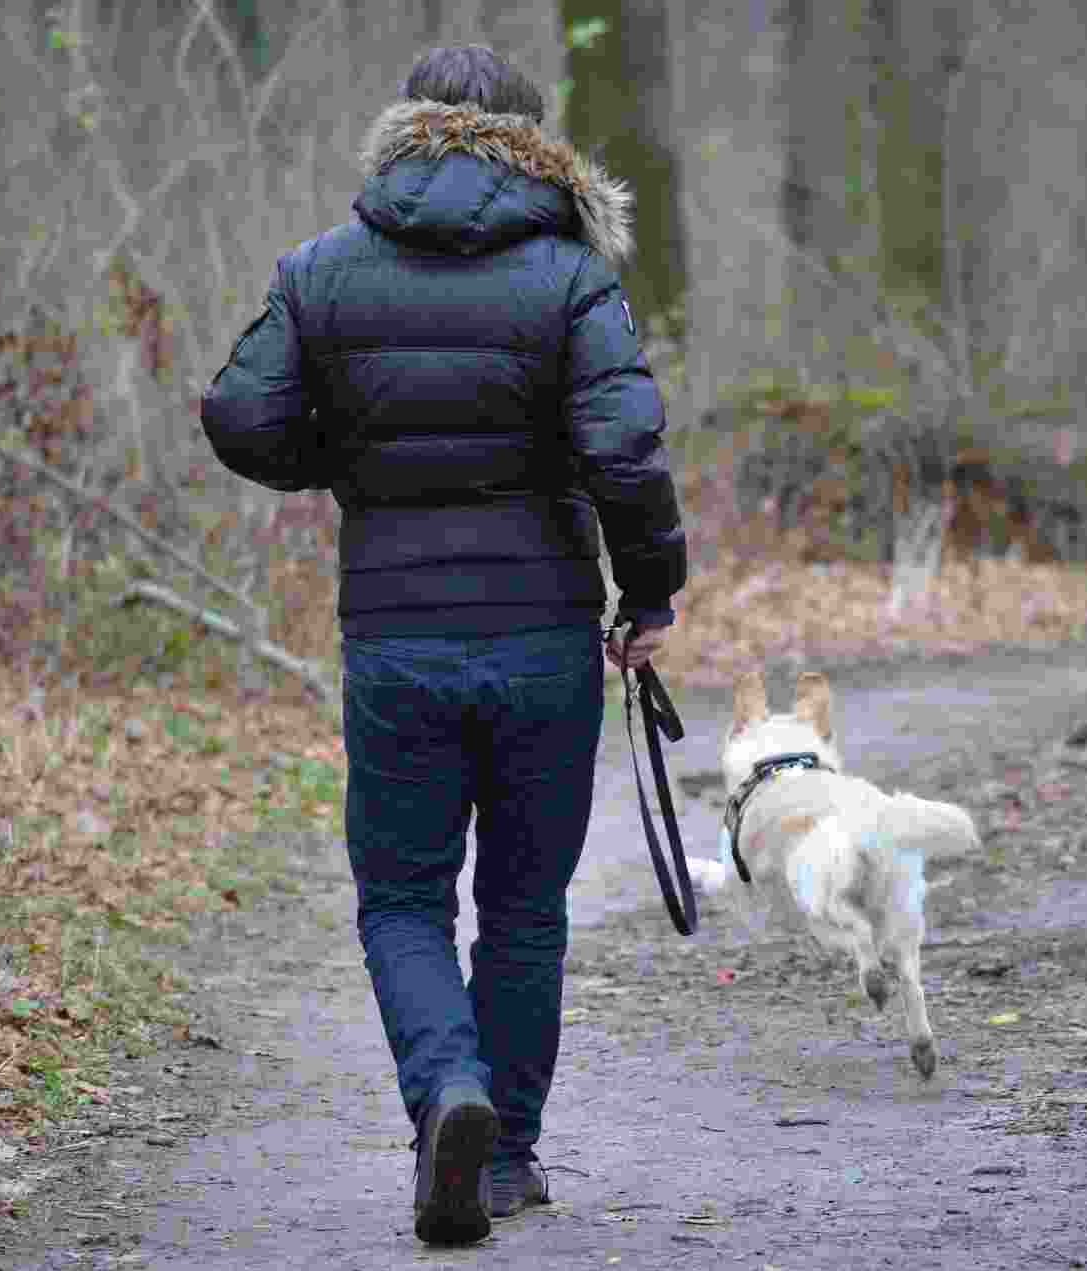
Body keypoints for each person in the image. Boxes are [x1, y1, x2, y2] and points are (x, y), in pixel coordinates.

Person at [200, 44, 686, 1247]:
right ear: (534, 141)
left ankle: (445, 1092)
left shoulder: (324, 269)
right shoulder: (573, 277)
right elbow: (626, 451)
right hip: (542, 639)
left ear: (404, 130)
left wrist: (346, 463)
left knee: (405, 896)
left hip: (397, 635)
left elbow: (239, 413)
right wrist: (653, 595)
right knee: (524, 906)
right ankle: (507, 1153)